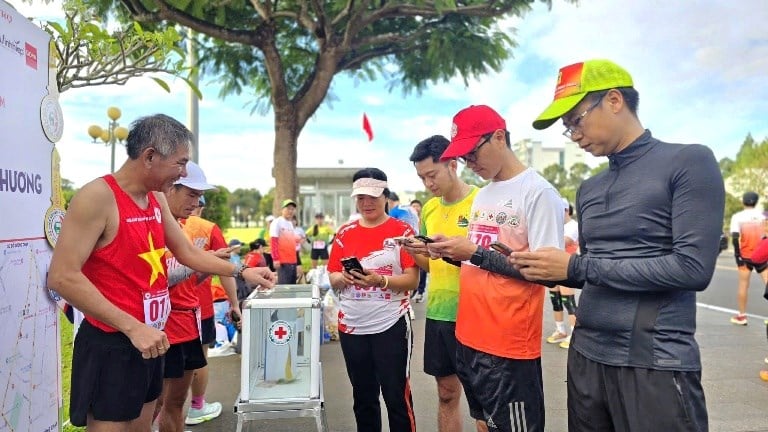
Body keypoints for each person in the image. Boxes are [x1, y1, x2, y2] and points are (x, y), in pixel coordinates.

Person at [511, 59, 724, 431]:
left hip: (653, 362)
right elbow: (596, 270)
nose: (574, 135)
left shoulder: (688, 161)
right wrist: (544, 267)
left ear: (613, 100)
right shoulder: (589, 188)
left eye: (576, 120)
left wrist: (575, 267)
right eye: (567, 128)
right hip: (586, 356)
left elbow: (692, 268)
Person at [46, 113, 275, 431]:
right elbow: (62, 276)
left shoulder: (155, 199)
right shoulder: (98, 197)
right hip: (113, 342)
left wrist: (242, 271)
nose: (183, 173)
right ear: (150, 156)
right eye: (180, 163)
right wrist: (132, 328)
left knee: (144, 425)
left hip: (151, 339)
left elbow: (188, 253)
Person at [427, 105, 564, 432]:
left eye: (473, 154)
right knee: (483, 422)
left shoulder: (538, 192)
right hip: (469, 334)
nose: (470, 165)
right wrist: (449, 251)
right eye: (464, 159)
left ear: (499, 137)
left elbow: (550, 272)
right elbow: (479, 259)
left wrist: (474, 253)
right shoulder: (483, 195)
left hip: (509, 343)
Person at [327, 168, 420, 432]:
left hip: (390, 324)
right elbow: (332, 275)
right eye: (361, 198)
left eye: (373, 197)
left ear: (386, 197)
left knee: (396, 397)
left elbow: (413, 281)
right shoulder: (345, 233)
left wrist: (381, 281)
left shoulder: (402, 231)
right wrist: (343, 277)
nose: (366, 203)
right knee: (364, 398)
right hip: (352, 325)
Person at [157, 161, 241, 431]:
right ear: (170, 188)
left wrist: (207, 265)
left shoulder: (181, 226)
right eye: (191, 194)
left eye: (199, 196)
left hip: (189, 321)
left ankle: (196, 407)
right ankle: (198, 406)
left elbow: (190, 277)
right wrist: (209, 261)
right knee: (157, 404)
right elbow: (160, 278)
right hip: (164, 327)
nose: (197, 202)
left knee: (175, 403)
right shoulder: (153, 225)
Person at [403, 135, 478, 432]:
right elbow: (429, 266)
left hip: (475, 313)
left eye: (432, 175)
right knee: (446, 394)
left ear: (453, 164)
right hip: (438, 313)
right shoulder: (430, 209)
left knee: (483, 400)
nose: (428, 184)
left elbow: (490, 261)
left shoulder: (480, 201)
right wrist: (417, 251)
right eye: (422, 177)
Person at [185, 194, 232, 426]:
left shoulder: (163, 224)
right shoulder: (208, 228)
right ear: (200, 207)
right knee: (200, 359)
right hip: (200, 307)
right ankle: (197, 407)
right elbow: (225, 269)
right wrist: (234, 303)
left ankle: (161, 415)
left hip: (165, 308)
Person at [729, 191, 768, 325]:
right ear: (756, 202)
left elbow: (735, 237)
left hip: (744, 256)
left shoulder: (737, 217)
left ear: (743, 202)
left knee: (743, 285)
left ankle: (742, 316)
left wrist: (737, 255)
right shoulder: (763, 215)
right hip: (762, 255)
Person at [545, 198, 579, 350]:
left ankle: (575, 334)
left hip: (567, 268)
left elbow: (563, 242)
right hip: (553, 268)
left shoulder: (573, 226)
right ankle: (561, 330)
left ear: (565, 210)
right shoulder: (557, 226)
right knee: (555, 300)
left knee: (568, 301)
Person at [270, 199, 300, 284]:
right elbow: (274, 241)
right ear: (282, 209)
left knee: (292, 286)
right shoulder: (277, 222)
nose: (290, 211)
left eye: (292, 209)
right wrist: (275, 259)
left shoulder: (290, 223)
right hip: (283, 261)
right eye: (288, 208)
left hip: (292, 261)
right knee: (284, 286)